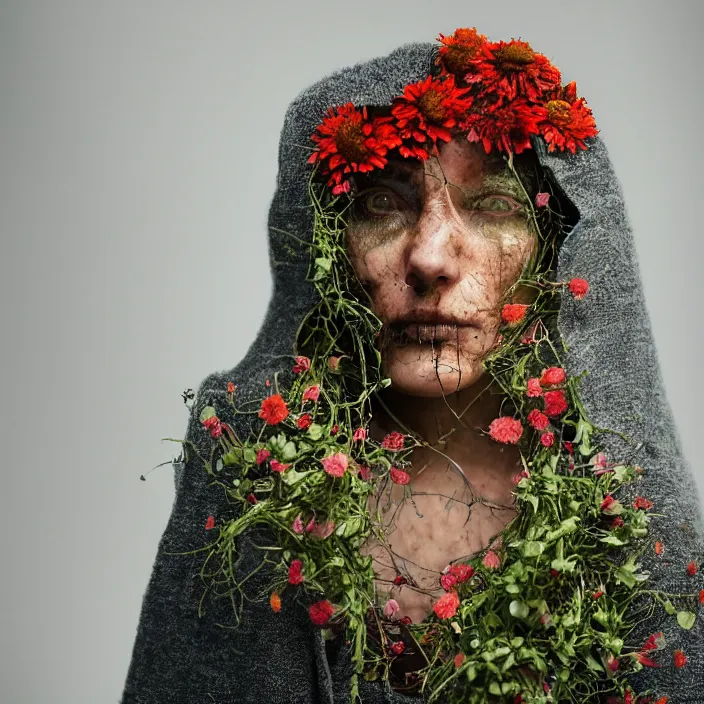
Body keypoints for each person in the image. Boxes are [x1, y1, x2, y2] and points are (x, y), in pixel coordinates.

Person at [121, 31, 704, 704]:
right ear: (329, 249)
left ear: (559, 258)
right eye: (379, 204)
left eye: (495, 205)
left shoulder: (621, 509)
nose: (429, 257)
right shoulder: (249, 467)